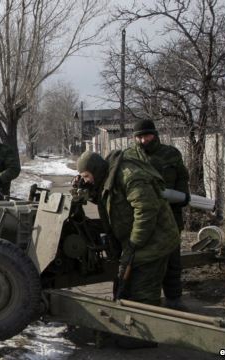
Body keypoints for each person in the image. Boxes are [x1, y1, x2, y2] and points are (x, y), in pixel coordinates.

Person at [76, 150, 180, 348]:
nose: (87, 180)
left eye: (87, 176)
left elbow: (146, 209)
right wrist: (86, 190)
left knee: (143, 292)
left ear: (96, 170)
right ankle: (130, 328)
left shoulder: (129, 175)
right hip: (138, 242)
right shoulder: (108, 176)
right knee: (124, 286)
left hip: (154, 241)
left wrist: (134, 243)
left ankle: (145, 338)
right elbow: (108, 200)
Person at [126, 119, 189, 310]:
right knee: (142, 260)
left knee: (172, 259)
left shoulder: (171, 154)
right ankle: (142, 300)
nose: (143, 141)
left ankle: (174, 299)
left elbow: (182, 178)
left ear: (155, 134)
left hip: (170, 215)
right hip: (142, 217)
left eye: (147, 136)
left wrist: (181, 196)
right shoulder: (130, 156)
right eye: (139, 137)